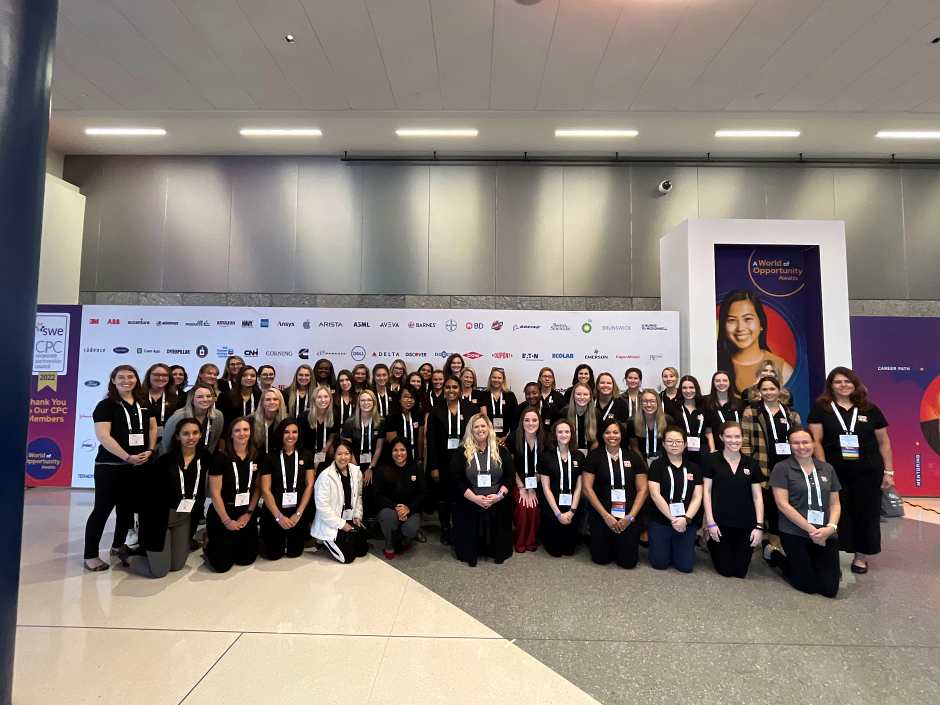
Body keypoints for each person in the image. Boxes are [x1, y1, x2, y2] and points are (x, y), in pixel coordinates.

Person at [808, 366, 894, 574]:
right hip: (836, 472)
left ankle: (860, 557)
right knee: (837, 513)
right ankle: (833, 554)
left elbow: (884, 443)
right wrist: (824, 469)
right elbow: (816, 441)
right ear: (831, 386)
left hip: (868, 472)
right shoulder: (822, 408)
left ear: (855, 384)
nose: (843, 385)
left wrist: (889, 472)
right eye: (838, 382)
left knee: (866, 513)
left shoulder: (870, 409)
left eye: (847, 381)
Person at [83, 365, 157, 571]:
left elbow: (152, 427)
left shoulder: (144, 403)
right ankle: (90, 555)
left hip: (137, 466)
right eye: (121, 377)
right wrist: (127, 456)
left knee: (126, 510)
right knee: (102, 510)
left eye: (130, 376)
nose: (126, 381)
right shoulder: (106, 405)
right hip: (111, 467)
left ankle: (117, 546)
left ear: (136, 380)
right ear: (113, 381)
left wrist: (150, 450)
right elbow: (104, 436)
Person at [769, 428, 842, 597]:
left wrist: (830, 528)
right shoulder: (782, 468)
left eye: (805, 442)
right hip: (794, 532)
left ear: (813, 443)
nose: (801, 447)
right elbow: (782, 505)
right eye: (796, 443)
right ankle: (775, 555)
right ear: (790, 445)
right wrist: (811, 529)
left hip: (825, 533)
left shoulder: (827, 468)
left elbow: (835, 503)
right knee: (807, 585)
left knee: (829, 590)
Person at [133, 417, 208, 577]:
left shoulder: (205, 457)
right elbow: (148, 495)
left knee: (177, 566)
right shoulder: (165, 460)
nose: (191, 437)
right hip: (158, 518)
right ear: (177, 436)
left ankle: (158, 554)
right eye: (186, 433)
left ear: (201, 435)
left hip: (183, 518)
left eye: (195, 432)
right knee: (159, 572)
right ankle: (128, 556)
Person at [741, 376, 802, 547]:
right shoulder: (752, 411)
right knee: (764, 504)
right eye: (765, 389)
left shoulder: (790, 413)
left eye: (772, 389)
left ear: (779, 390)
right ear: (759, 392)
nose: (768, 392)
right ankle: (763, 541)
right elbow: (744, 441)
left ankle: (779, 542)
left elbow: (800, 439)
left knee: (783, 505)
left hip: (787, 466)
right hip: (762, 465)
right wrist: (748, 465)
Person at [581, 418, 648, 569]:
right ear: (602, 435)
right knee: (601, 559)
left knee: (628, 563)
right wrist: (606, 516)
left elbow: (643, 490)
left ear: (622, 435)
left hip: (628, 514)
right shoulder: (594, 456)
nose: (612, 436)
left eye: (616, 432)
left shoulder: (633, 457)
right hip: (602, 513)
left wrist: (630, 517)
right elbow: (587, 488)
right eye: (607, 432)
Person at [451, 414, 515, 566]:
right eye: (476, 426)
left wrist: (498, 496)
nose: (480, 429)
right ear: (471, 430)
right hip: (471, 499)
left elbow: (510, 477)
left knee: (502, 509)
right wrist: (475, 498)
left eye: (483, 426)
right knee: (465, 510)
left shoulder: (501, 450)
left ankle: (496, 549)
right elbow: (456, 480)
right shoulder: (461, 452)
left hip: (497, 499)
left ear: (489, 428)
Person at [702, 421, 764, 578]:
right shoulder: (711, 460)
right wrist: (710, 523)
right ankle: (708, 539)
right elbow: (706, 492)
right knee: (726, 571)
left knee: (740, 572)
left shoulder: (752, 464)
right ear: (721, 437)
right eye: (728, 436)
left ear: (742, 438)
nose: (733, 440)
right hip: (719, 523)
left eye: (737, 437)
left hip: (745, 524)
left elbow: (757, 497)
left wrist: (759, 527)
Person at [425, 376, 476, 544]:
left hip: (465, 460)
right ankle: (445, 528)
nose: (451, 390)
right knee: (444, 497)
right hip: (443, 461)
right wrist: (433, 466)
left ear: (460, 390)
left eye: (455, 387)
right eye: (448, 387)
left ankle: (461, 527)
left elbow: (476, 435)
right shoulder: (436, 410)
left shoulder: (470, 408)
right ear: (443, 389)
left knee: (463, 494)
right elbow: (431, 440)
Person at [204, 417, 260, 573]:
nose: (242, 433)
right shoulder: (220, 458)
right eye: (237, 430)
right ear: (231, 434)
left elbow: (258, 488)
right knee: (222, 566)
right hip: (224, 511)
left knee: (246, 559)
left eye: (245, 430)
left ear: (251, 432)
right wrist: (227, 521)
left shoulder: (256, 455)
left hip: (245, 511)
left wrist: (249, 513)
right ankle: (208, 542)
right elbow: (215, 493)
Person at [647, 426, 703, 573]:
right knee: (660, 564)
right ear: (663, 444)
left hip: (686, 522)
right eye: (670, 441)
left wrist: (686, 518)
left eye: (678, 441)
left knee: (685, 566)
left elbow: (697, 497)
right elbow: (655, 495)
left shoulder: (694, 468)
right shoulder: (656, 465)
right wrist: (673, 518)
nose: (674, 444)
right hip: (661, 520)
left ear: (685, 444)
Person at [717, 289, 794, 394]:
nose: (740, 328)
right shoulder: (715, 364)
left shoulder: (782, 369)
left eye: (747, 319)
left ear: (761, 324)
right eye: (731, 320)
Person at [259, 419, 315, 560]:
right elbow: (265, 489)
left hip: (297, 512)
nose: (291, 436)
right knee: (273, 555)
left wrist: (298, 513)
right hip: (275, 512)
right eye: (286, 432)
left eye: (294, 432)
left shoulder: (306, 455)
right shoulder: (270, 457)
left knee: (294, 553)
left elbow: (310, 485)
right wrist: (279, 517)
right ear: (280, 434)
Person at [311, 440, 369, 564]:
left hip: (349, 519)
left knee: (362, 551)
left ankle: (343, 538)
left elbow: (358, 496)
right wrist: (343, 525)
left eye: (347, 453)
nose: (343, 457)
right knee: (347, 558)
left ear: (351, 455)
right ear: (334, 455)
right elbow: (322, 508)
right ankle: (325, 540)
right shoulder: (325, 476)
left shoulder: (356, 472)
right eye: (339, 454)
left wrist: (357, 515)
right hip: (331, 523)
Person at [538, 419, 584, 557]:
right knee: (555, 551)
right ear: (555, 434)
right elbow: (546, 488)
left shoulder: (579, 456)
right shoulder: (546, 457)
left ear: (572, 434)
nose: (564, 435)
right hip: (553, 508)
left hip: (572, 507)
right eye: (560, 432)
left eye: (567, 432)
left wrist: (572, 511)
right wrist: (558, 513)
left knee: (569, 550)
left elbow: (579, 487)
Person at [374, 438, 426, 559]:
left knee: (410, 529)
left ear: (407, 451)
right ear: (390, 452)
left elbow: (423, 493)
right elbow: (378, 495)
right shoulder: (382, 469)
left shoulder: (416, 468)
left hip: (411, 510)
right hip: (390, 508)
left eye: (402, 450)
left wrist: (409, 508)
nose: (399, 453)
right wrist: (396, 507)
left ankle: (404, 539)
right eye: (395, 450)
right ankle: (389, 544)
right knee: (387, 517)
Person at [511, 408, 544, 553]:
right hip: (517, 480)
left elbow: (544, 467)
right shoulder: (514, 438)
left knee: (534, 507)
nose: (531, 423)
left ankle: (531, 540)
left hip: (539, 481)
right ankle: (520, 540)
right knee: (523, 506)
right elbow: (510, 466)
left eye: (534, 420)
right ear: (521, 422)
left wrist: (532, 489)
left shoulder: (545, 439)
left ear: (539, 422)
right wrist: (522, 487)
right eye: (527, 420)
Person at [161, 382, 224, 455]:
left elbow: (213, 442)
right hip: (177, 457)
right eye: (200, 397)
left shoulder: (218, 416)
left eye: (208, 396)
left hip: (204, 457)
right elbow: (166, 444)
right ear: (192, 399)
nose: (205, 399)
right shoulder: (178, 417)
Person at [340, 389, 385, 484]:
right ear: (358, 403)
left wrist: (371, 468)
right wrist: (356, 470)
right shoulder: (349, 423)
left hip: (374, 464)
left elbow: (379, 447)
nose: (366, 403)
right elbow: (347, 449)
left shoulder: (381, 422)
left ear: (374, 403)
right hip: (353, 463)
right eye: (363, 400)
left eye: (369, 400)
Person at [300, 385, 339, 471]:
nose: (323, 400)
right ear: (314, 400)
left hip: (325, 454)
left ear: (330, 399)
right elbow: (301, 442)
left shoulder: (334, 415)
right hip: (307, 455)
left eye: (326, 396)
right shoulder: (304, 416)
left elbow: (332, 435)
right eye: (319, 397)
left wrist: (323, 453)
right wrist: (311, 461)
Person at [704, 370, 742, 453]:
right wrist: (712, 449)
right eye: (717, 381)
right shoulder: (706, 402)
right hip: (717, 448)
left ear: (730, 382)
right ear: (713, 383)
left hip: (736, 447)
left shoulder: (739, 403)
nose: (721, 383)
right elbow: (708, 429)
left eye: (725, 380)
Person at [477, 367, 519, 442]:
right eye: (494, 377)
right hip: (487, 436)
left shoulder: (510, 395)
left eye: (499, 378)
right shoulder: (483, 395)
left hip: (507, 437)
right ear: (490, 379)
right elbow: (484, 418)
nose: (496, 380)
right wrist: (492, 436)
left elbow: (515, 419)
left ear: (503, 380)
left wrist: (507, 437)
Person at [384, 387, 423, 461]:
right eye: (405, 397)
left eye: (412, 397)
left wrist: (420, 458)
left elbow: (420, 440)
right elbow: (393, 443)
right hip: (398, 458)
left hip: (415, 458)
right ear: (399, 399)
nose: (409, 400)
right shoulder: (392, 417)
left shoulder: (418, 416)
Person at [676, 375, 708, 466]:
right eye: (684, 388)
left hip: (702, 450)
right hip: (681, 450)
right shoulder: (675, 408)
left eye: (691, 387)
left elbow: (709, 431)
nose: (688, 391)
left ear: (696, 389)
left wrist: (712, 450)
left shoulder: (704, 406)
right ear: (680, 390)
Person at [142, 363, 177, 445]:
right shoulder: (138, 397)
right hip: (142, 440)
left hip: (167, 441)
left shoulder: (175, 398)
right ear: (149, 376)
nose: (160, 378)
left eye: (165, 375)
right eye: (156, 375)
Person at [631, 389, 669, 464]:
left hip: (663, 461)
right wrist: (642, 463)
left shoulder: (668, 420)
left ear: (658, 403)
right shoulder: (632, 422)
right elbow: (634, 447)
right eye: (645, 401)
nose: (649, 405)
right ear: (640, 404)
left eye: (652, 401)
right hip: (640, 461)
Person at [219, 365, 260, 430]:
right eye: (244, 375)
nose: (249, 378)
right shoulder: (226, 397)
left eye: (252, 376)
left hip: (254, 432)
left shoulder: (260, 396)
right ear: (239, 377)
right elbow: (223, 421)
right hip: (232, 433)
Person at [562, 382, 598, 455]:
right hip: (569, 453)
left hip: (591, 453)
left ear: (590, 397)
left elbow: (599, 439)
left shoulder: (596, 414)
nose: (582, 397)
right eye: (578, 394)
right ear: (573, 396)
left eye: (585, 394)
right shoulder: (564, 413)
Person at [251, 388, 288, 454]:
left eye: (275, 399)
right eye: (268, 399)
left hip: (278, 458)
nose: (272, 402)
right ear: (262, 403)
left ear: (280, 402)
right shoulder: (251, 420)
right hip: (256, 457)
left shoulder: (286, 420)